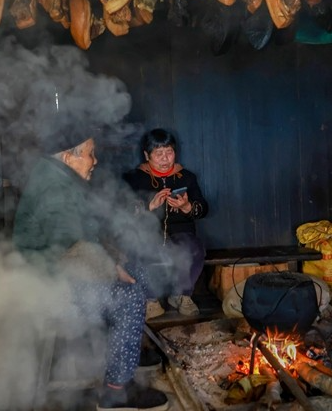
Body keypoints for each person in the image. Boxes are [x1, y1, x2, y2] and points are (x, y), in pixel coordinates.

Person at [13, 127, 169, 411]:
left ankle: (125, 352)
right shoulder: (54, 189)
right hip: (49, 287)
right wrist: (113, 269)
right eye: (90, 154)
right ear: (68, 157)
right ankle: (116, 392)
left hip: (62, 272)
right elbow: (76, 251)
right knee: (130, 295)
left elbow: (84, 237)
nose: (94, 160)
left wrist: (115, 260)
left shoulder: (58, 177)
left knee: (140, 274)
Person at [123, 129, 209, 318]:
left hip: (180, 232)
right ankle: (150, 299)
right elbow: (122, 211)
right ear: (147, 155)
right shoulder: (134, 178)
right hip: (147, 233)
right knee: (139, 249)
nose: (165, 159)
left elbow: (203, 209)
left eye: (169, 152)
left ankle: (181, 295)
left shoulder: (186, 177)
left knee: (194, 248)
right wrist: (149, 206)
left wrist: (187, 206)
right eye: (158, 153)